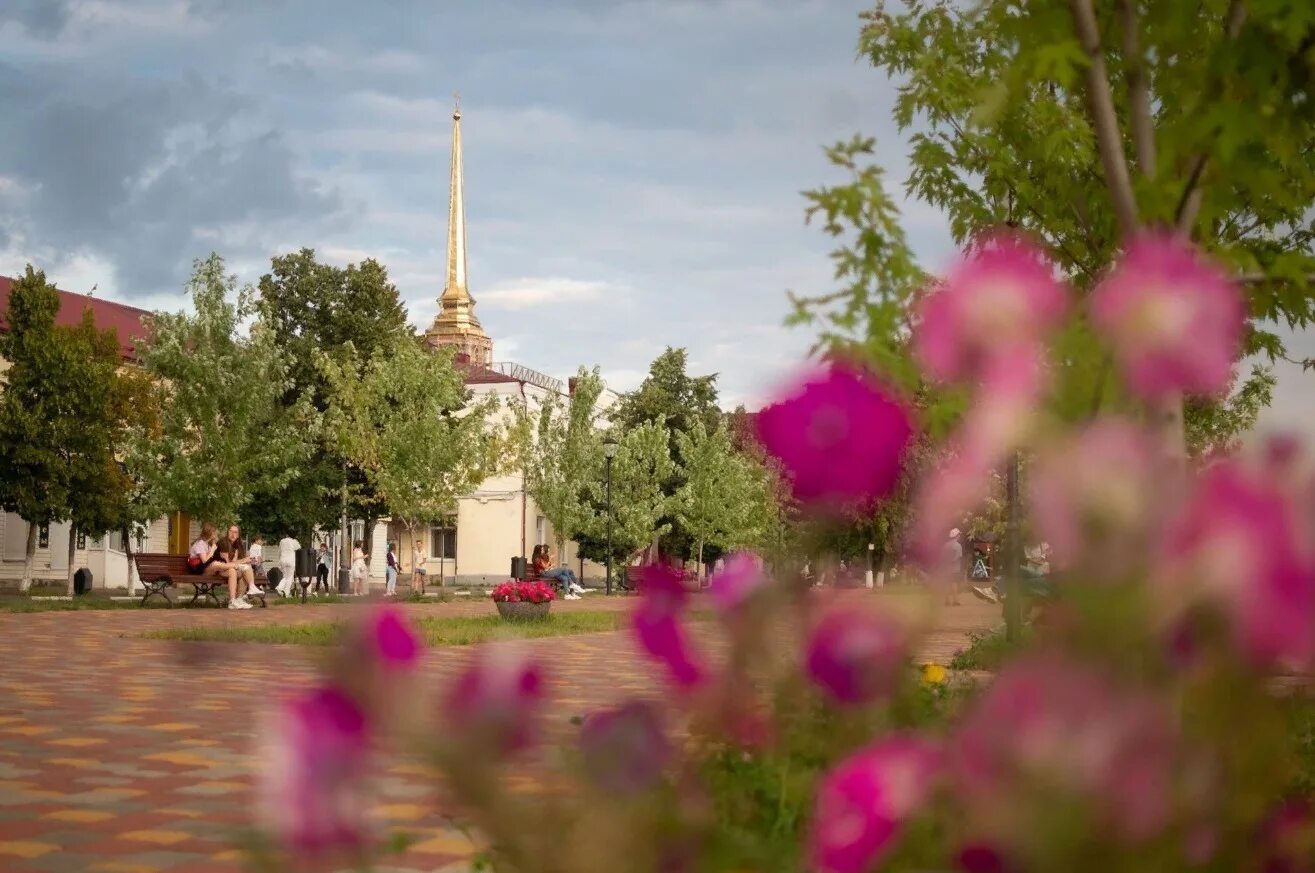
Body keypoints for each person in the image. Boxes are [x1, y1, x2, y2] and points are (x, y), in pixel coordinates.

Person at [189, 522, 248, 610]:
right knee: (216, 564)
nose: (216, 534)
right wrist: (212, 550)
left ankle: (232, 601)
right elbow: (204, 560)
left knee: (232, 570)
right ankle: (237, 565)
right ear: (210, 533)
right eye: (215, 532)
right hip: (199, 571)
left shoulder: (206, 544)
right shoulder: (200, 543)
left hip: (209, 569)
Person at [218, 524, 259, 600]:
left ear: (238, 535)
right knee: (244, 568)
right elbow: (227, 564)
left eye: (235, 532)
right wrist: (244, 560)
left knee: (245, 568)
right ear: (227, 532)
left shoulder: (237, 544)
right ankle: (251, 587)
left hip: (230, 569)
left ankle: (239, 599)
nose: (233, 534)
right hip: (220, 570)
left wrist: (248, 560)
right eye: (231, 531)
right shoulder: (223, 543)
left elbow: (236, 562)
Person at [943, 528, 964, 606]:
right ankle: (956, 601)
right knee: (954, 584)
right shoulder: (958, 545)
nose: (959, 536)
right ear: (956, 536)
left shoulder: (945, 545)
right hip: (955, 568)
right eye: (959, 535)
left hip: (946, 568)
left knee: (947, 584)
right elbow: (958, 557)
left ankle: (947, 600)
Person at [276, 533, 300, 597]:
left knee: (285, 576)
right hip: (291, 561)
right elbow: (299, 549)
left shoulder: (282, 541)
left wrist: (279, 561)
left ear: (287, 535)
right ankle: (282, 589)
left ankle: (284, 591)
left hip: (283, 560)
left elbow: (279, 551)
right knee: (289, 577)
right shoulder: (294, 541)